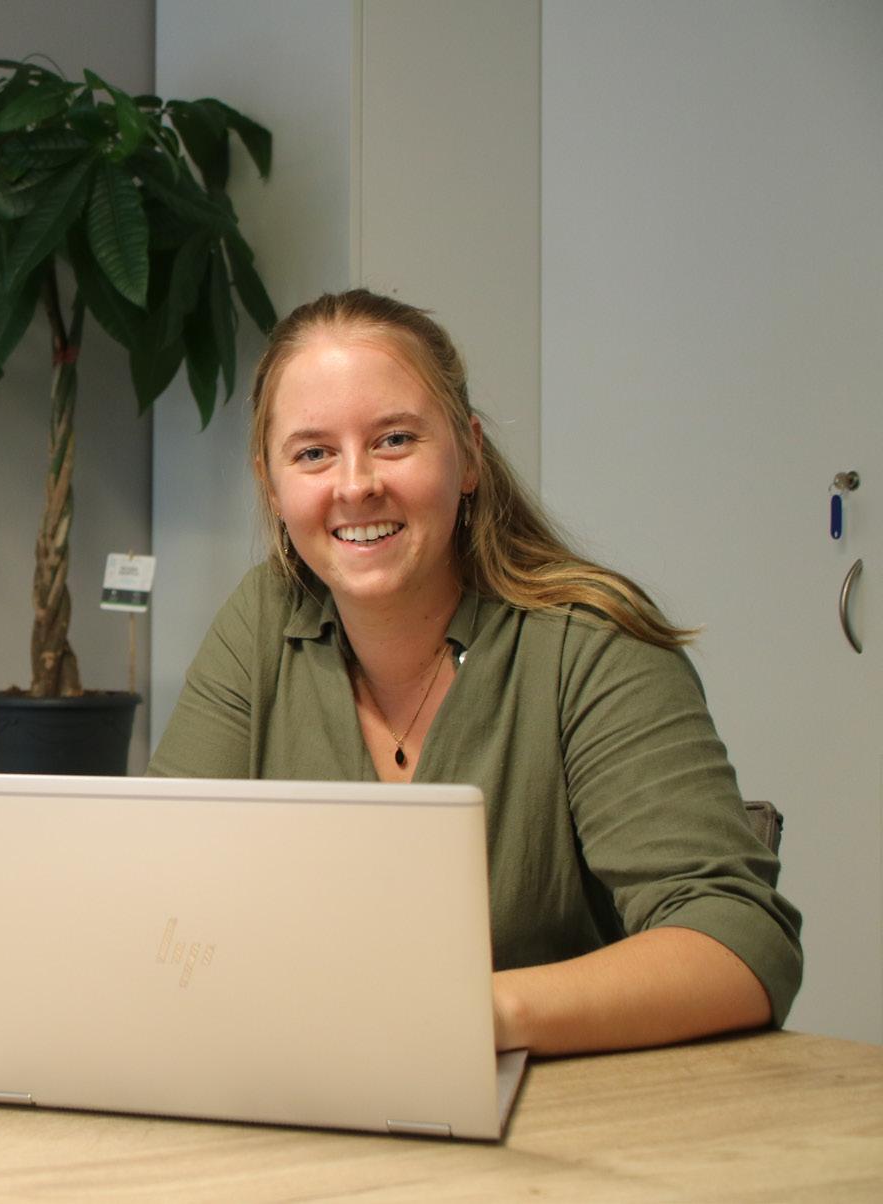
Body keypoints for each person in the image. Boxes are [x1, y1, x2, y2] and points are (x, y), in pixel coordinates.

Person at [148, 288, 801, 1054]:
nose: (355, 484)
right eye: (314, 453)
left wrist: (472, 1016)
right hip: (311, 1086)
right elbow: (153, 887)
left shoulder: (589, 642)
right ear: (272, 483)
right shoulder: (262, 619)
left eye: (395, 439)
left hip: (566, 1109)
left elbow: (738, 942)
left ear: (469, 453)